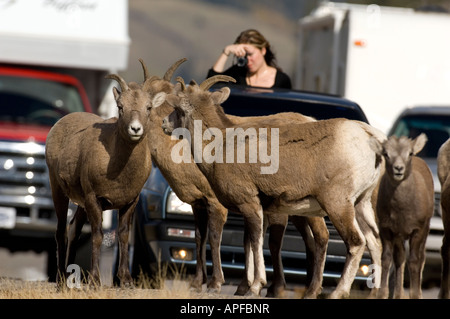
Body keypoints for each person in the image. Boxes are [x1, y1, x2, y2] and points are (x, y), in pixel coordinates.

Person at [207, 29, 292, 89]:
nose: (247, 60)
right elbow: (210, 84)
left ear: (263, 50)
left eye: (250, 54)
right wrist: (226, 52)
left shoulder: (282, 80)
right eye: (243, 56)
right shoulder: (237, 74)